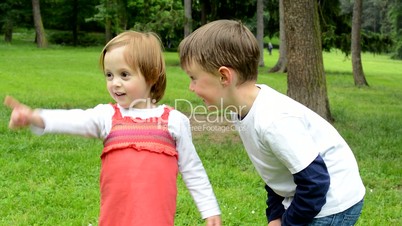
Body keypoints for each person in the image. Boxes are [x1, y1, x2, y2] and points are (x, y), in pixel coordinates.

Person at [4, 31, 221, 226]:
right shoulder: (107, 116)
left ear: (152, 76)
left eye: (124, 75)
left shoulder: (174, 121)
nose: (115, 83)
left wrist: (209, 209)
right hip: (115, 216)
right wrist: (34, 116)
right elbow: (74, 119)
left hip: (155, 217)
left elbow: (192, 169)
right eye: (109, 75)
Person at [178, 19, 365, 226]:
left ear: (224, 76)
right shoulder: (241, 110)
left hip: (332, 203)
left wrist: (287, 223)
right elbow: (274, 169)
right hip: (310, 194)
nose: (191, 88)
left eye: (194, 78)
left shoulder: (273, 120)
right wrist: (275, 215)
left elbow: (316, 182)